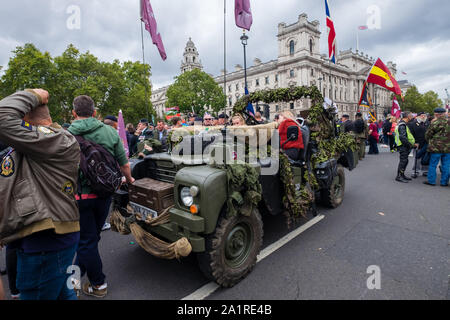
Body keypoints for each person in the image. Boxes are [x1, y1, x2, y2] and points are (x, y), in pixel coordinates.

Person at [0, 89, 80, 300]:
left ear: (24, 117)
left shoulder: (54, 139)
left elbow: (2, 116)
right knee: (63, 293)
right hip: (43, 238)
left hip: (46, 241)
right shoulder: (37, 142)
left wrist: (32, 94)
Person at [68, 95, 135, 298]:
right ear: (95, 112)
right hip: (105, 193)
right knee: (91, 239)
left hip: (80, 196)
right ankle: (74, 279)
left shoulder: (66, 135)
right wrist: (130, 180)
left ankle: (98, 284)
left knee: (87, 241)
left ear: (74, 113)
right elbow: (124, 164)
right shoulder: (109, 131)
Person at [423, 108, 449, 187]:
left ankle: (431, 181)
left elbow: (428, 135)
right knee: (447, 165)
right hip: (448, 148)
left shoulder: (435, 122)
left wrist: (429, 141)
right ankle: (444, 182)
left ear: (437, 114)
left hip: (436, 147)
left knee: (433, 164)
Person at [395, 112, 416, 183]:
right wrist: (410, 145)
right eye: (411, 115)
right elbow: (402, 137)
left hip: (403, 145)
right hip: (403, 146)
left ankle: (402, 174)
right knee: (403, 161)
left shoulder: (403, 124)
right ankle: (399, 176)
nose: (412, 117)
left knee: (405, 161)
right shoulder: (402, 125)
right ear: (407, 116)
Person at [409, 112, 430, 177]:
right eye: (422, 115)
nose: (423, 117)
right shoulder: (413, 124)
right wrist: (414, 142)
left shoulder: (428, 123)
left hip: (426, 143)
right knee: (417, 157)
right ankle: (416, 171)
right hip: (417, 143)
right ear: (418, 116)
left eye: (424, 115)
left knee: (425, 157)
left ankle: (425, 170)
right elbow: (411, 134)